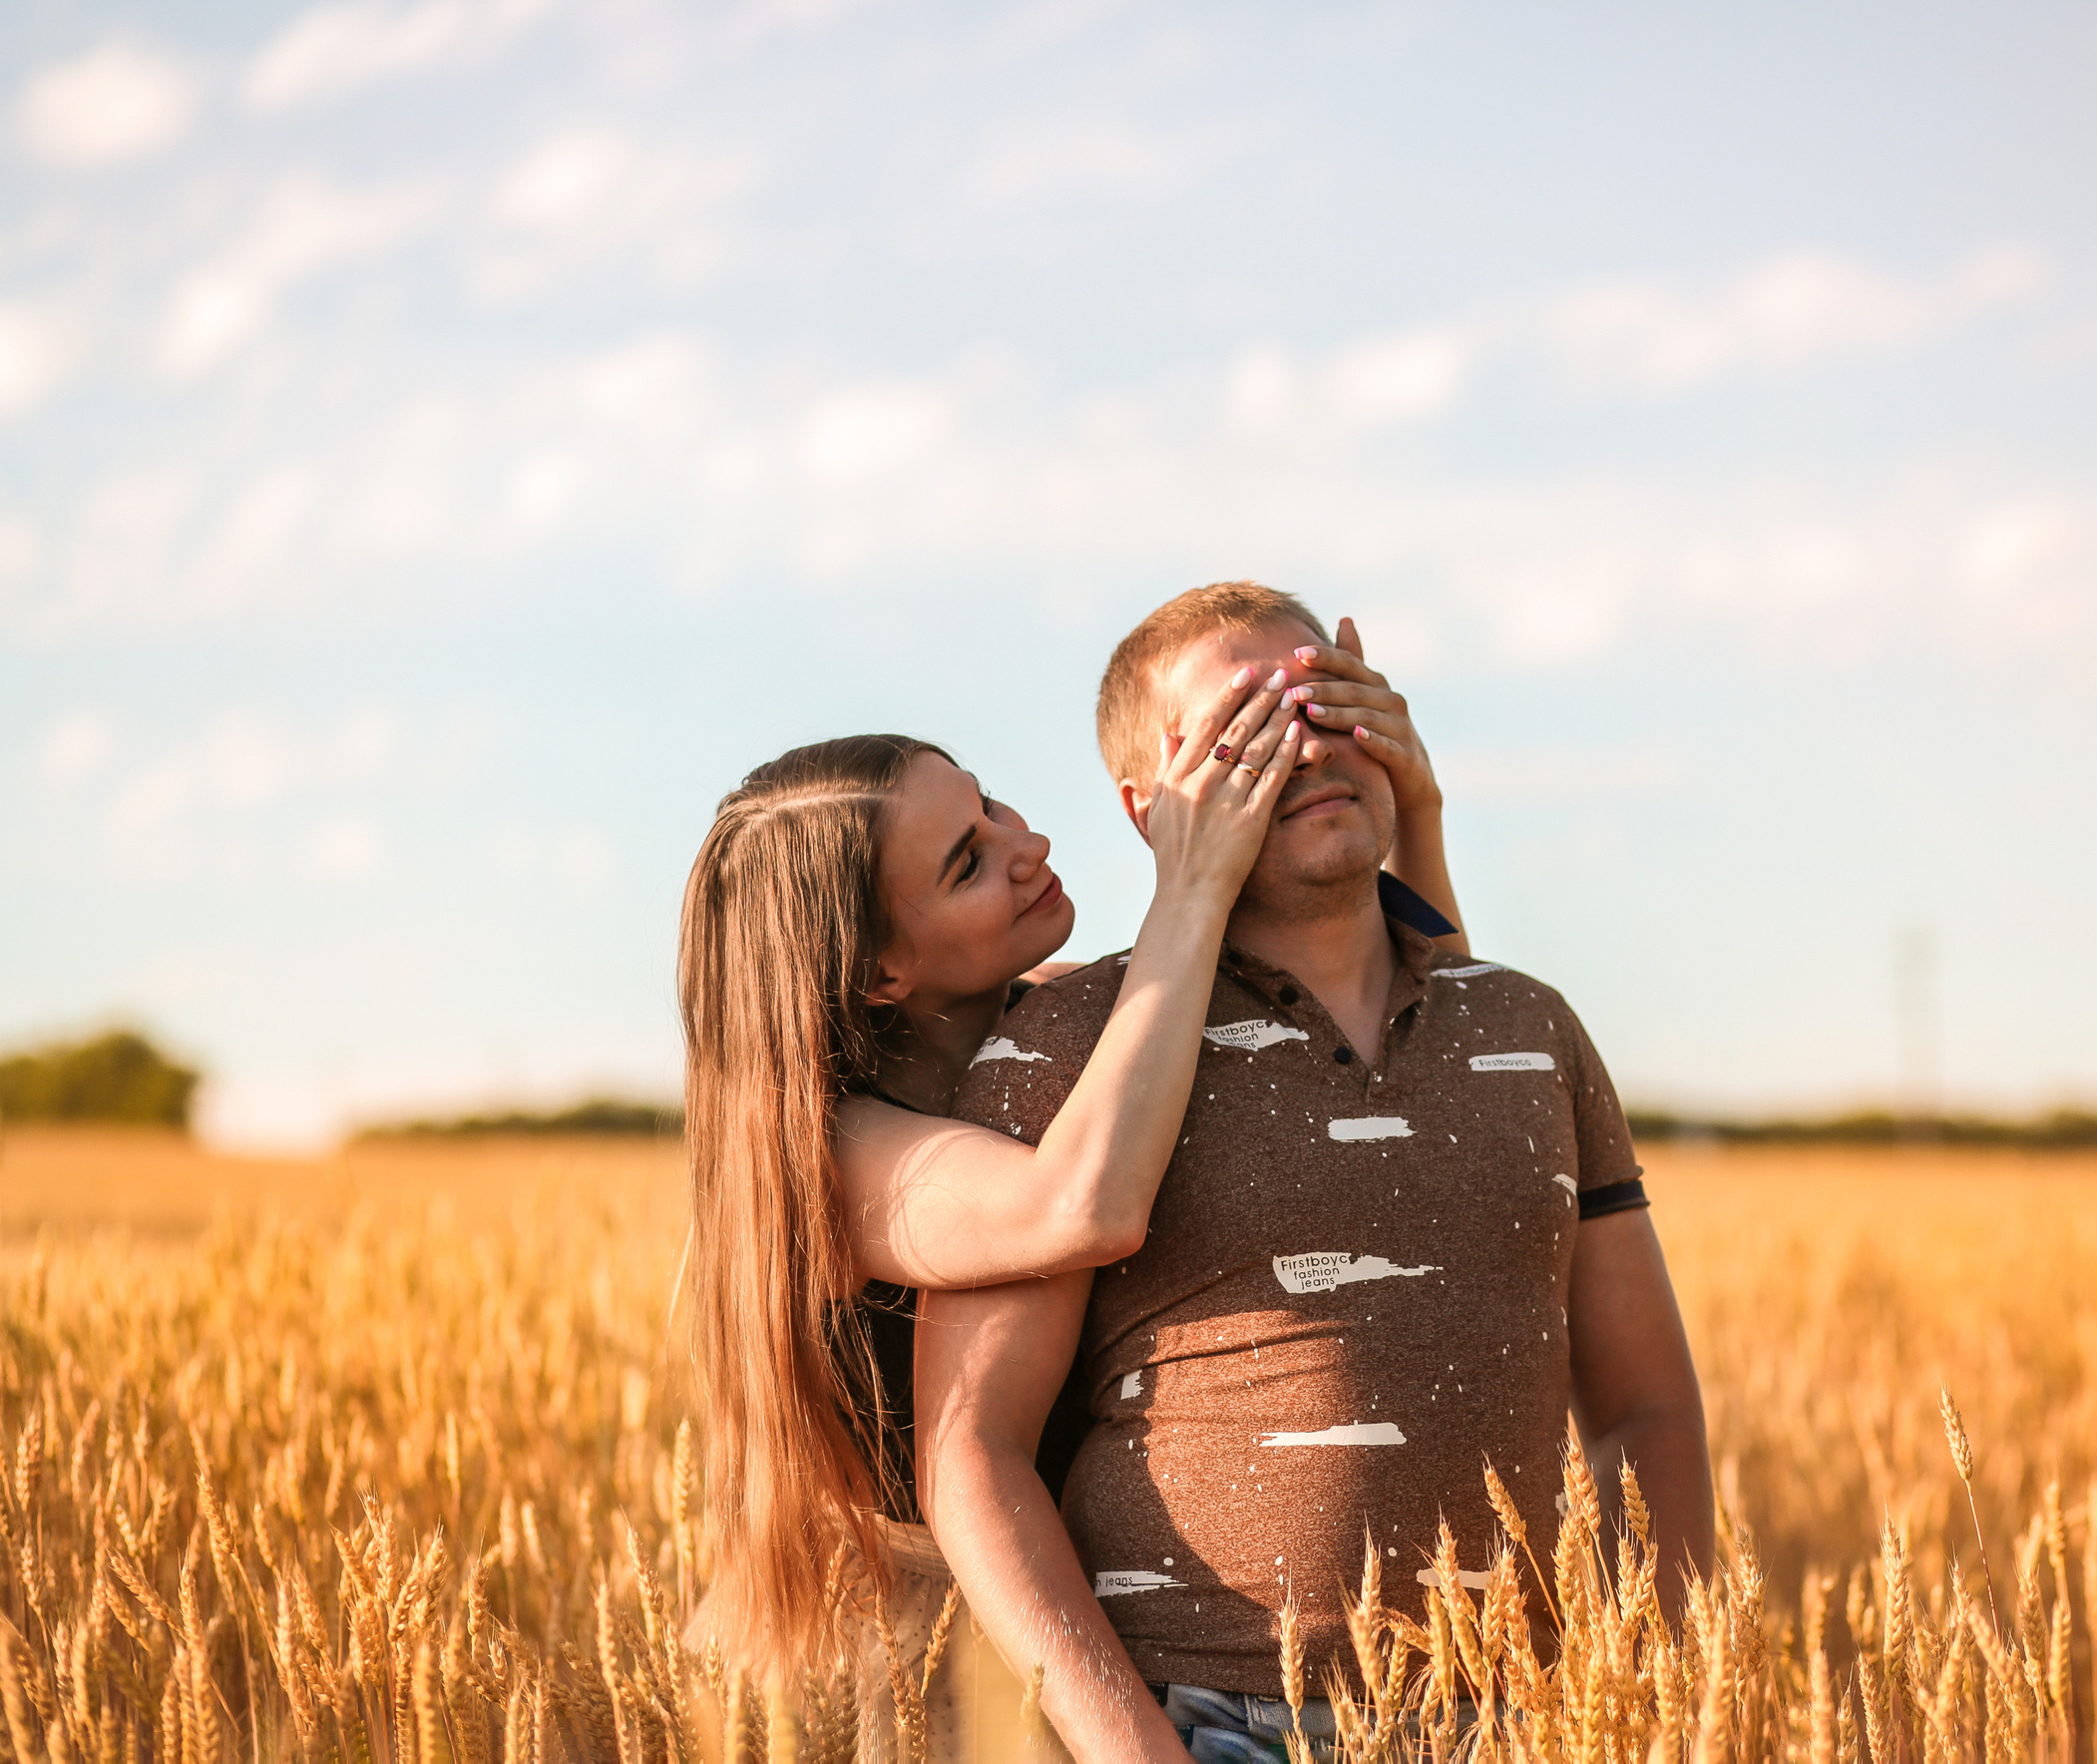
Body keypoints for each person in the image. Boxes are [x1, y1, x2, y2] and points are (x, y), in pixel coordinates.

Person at [916, 582, 1716, 1764]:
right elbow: (970, 1449)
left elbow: (1647, 1404)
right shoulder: (1068, 1044)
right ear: (1150, 810)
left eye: (1327, 700)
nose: (1302, 746)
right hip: (1213, 1720)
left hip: (1533, 1721)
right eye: (1243, 729)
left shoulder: (1529, 1027)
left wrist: (1659, 1695)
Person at [673, 615, 1467, 1723]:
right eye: (967, 862)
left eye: (991, 804)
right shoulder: (838, 1154)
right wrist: (1189, 890)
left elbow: (1447, 1076)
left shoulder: (1076, 1028)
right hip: (911, 1668)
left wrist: (1409, 813)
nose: (1026, 842)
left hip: (1067, 1641)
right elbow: (1080, 1204)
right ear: (880, 975)